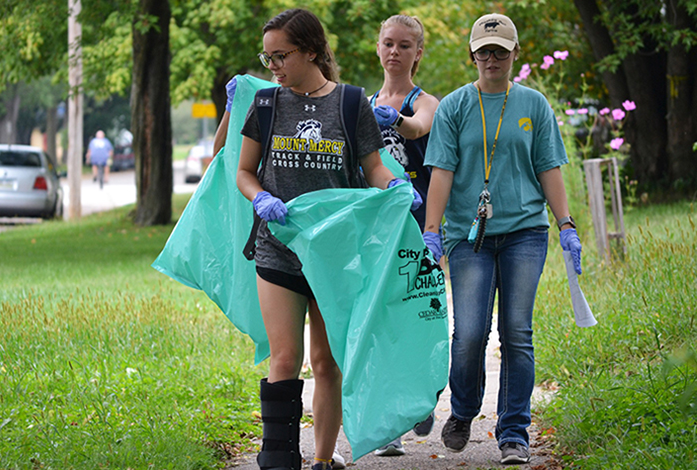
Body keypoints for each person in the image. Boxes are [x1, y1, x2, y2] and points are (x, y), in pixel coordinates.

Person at [235, 9, 422, 470]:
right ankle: (278, 457)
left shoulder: (351, 103)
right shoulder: (266, 104)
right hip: (278, 247)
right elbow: (243, 171)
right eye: (267, 57)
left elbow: (373, 167)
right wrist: (260, 197)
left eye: (281, 55)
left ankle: (322, 459)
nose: (273, 65)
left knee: (325, 361)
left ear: (311, 52)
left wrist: (395, 186)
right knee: (284, 358)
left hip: (336, 255)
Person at [422, 13, 583, 465]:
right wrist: (431, 231)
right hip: (468, 236)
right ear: (472, 55)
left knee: (517, 332)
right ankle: (463, 412)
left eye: (500, 51)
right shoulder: (455, 106)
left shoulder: (534, 104)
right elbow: (442, 172)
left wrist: (566, 224)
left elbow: (548, 167)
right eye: (483, 51)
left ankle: (514, 432)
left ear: (515, 54)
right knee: (470, 332)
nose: (491, 58)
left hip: (525, 232)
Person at [367, 14, 440, 457]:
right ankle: (389, 421)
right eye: (388, 43)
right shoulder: (361, 102)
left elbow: (417, 127)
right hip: (378, 232)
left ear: (418, 53)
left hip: (419, 228)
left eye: (405, 45)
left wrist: (394, 119)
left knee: (417, 318)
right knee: (382, 322)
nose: (395, 51)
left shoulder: (425, 101)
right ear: (378, 47)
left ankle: (423, 394)